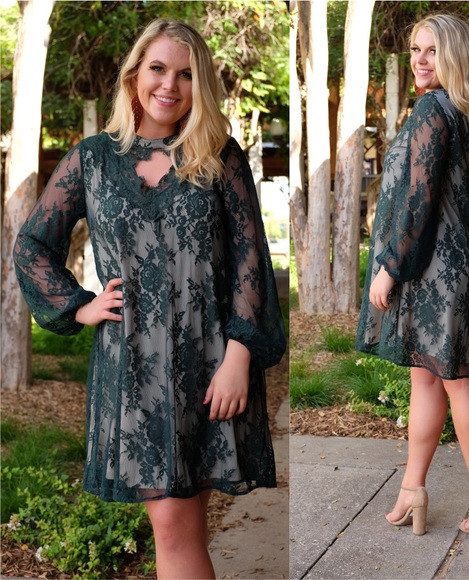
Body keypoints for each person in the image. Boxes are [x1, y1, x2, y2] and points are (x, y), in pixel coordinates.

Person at [14, 18, 286, 579]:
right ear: (134, 74)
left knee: (179, 528)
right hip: (132, 368)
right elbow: (33, 244)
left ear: (200, 85)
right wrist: (80, 305)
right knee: (173, 527)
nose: (170, 85)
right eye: (158, 68)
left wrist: (239, 357)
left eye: (186, 74)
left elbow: (250, 262)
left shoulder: (220, 156)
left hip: (209, 363)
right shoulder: (93, 159)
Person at [356, 14, 469, 542]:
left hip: (437, 267)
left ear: (454, 56)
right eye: (416, 49)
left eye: (432, 50)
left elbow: (417, 202)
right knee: (428, 377)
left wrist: (390, 267)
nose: (419, 59)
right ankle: (412, 489)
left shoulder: (432, 109)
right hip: (460, 262)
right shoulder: (464, 109)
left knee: (458, 381)